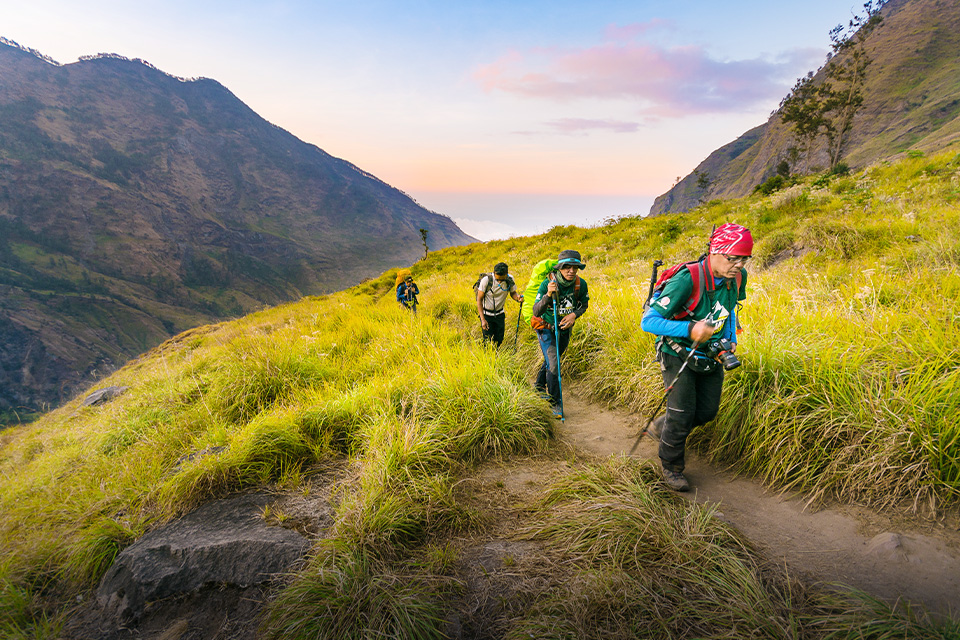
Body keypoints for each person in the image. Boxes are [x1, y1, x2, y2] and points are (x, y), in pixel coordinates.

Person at [640, 223, 752, 491]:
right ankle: (671, 466)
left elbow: (730, 307)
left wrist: (731, 339)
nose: (738, 264)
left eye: (744, 258)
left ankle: (661, 427)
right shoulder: (687, 279)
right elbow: (649, 321)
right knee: (681, 413)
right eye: (732, 257)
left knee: (706, 412)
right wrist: (690, 329)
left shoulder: (737, 277)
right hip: (676, 352)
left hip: (710, 353)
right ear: (715, 251)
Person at [531, 250, 589, 417]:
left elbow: (583, 305)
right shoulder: (547, 284)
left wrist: (573, 315)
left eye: (575, 267)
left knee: (553, 360)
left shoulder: (580, 284)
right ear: (560, 268)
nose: (571, 271)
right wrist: (548, 294)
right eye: (567, 267)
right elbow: (536, 310)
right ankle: (555, 403)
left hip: (564, 329)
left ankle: (539, 386)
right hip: (546, 329)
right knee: (554, 364)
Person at [476, 262, 523, 347]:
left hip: (500, 314)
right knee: (488, 341)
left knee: (499, 339)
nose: (500, 281)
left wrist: (517, 298)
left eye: (502, 279)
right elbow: (479, 299)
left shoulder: (510, 279)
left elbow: (513, 293)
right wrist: (483, 319)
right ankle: (488, 358)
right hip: (487, 315)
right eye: (498, 279)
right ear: (494, 273)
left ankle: (497, 355)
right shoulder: (486, 280)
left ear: (506, 274)